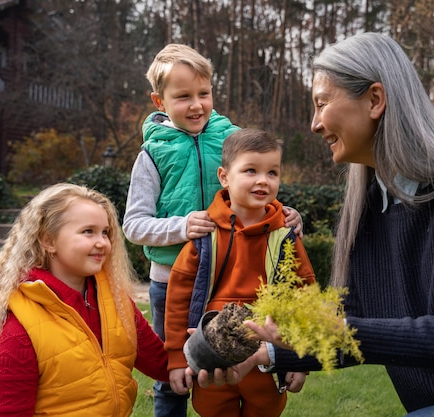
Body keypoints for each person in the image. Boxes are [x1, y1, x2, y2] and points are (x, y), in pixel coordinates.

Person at [194, 32, 434, 417]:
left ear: (375, 99)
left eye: (322, 103)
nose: (314, 124)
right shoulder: (372, 211)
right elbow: (357, 327)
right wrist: (264, 353)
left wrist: (343, 330)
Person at [122, 43, 303, 417]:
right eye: (183, 96)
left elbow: (256, 185)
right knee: (174, 374)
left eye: (203, 94)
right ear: (159, 100)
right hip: (170, 279)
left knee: (227, 368)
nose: (196, 105)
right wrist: (182, 226)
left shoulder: (230, 138)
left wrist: (285, 213)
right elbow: (133, 225)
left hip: (226, 278)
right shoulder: (153, 153)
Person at [0, 183, 169, 416]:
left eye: (106, 232)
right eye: (88, 231)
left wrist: (205, 349)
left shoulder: (114, 300)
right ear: (48, 241)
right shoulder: (18, 326)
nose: (102, 242)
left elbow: (161, 363)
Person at [163, 128, 315, 417]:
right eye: (250, 170)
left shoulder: (285, 236)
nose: (263, 180)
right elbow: (178, 297)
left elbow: (304, 297)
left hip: (265, 357)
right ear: (224, 176)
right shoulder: (205, 234)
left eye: (273, 173)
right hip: (212, 349)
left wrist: (299, 358)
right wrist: (175, 358)